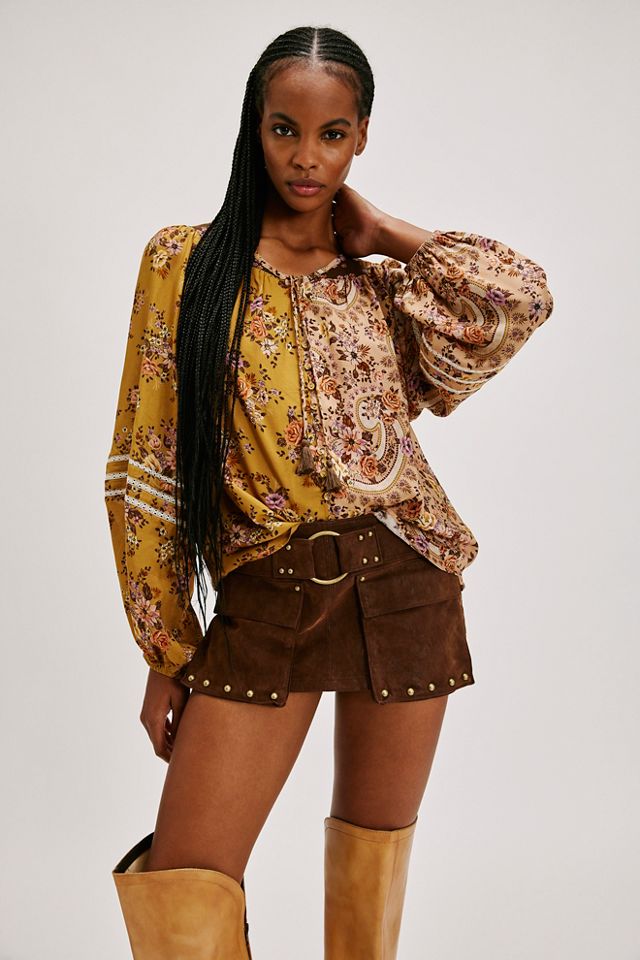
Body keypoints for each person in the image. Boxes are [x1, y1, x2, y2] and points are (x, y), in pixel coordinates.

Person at [105, 24, 554, 960]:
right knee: (183, 882)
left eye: (332, 134)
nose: (307, 158)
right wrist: (166, 648)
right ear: (254, 128)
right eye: (285, 130)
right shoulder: (186, 264)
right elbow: (146, 469)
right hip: (271, 595)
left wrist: (386, 233)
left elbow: (520, 296)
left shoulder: (384, 288)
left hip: (407, 585)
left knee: (369, 881)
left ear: (361, 138)